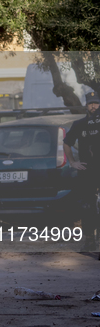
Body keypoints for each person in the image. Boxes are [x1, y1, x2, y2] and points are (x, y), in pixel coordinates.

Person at [63, 91, 100, 251]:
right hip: (87, 170)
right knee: (88, 206)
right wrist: (72, 162)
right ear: (86, 105)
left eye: (96, 103)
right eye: (91, 103)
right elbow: (66, 144)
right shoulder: (79, 124)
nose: (94, 106)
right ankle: (89, 239)